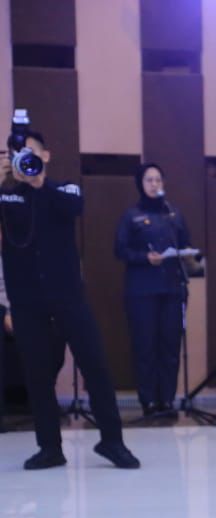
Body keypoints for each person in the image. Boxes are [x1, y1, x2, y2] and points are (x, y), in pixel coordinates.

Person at [0, 127, 138, 469]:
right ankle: (50, 447)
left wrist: (37, 183)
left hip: (68, 296)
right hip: (26, 300)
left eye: (32, 153)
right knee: (37, 374)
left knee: (95, 365)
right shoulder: (6, 196)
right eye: (19, 156)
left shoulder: (64, 188)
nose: (26, 161)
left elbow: (73, 207)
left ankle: (112, 441)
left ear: (45, 155)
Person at [115, 163, 191, 418]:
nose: (154, 184)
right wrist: (145, 257)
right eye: (149, 180)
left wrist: (188, 255)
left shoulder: (174, 214)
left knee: (170, 346)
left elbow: (185, 243)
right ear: (141, 184)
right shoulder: (131, 216)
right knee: (145, 346)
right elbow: (120, 250)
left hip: (172, 289)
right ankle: (148, 400)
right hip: (141, 291)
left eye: (158, 179)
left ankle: (167, 400)